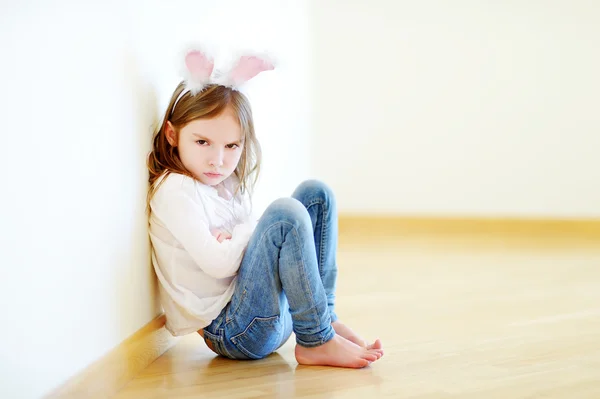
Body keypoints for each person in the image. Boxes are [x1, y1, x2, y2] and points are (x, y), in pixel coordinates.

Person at [146, 48, 383, 368]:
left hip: (264, 314)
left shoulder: (224, 185)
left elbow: (239, 252)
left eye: (232, 146)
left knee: (316, 195)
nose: (218, 160)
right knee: (284, 214)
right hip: (235, 331)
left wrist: (236, 237)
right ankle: (316, 340)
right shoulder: (175, 190)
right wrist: (248, 230)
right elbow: (220, 264)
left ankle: (323, 319)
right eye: (203, 142)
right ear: (173, 135)